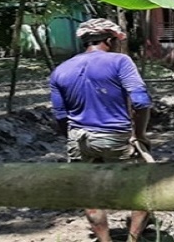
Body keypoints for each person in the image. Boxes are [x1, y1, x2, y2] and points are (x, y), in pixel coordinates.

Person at [50, 18, 153, 242]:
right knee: (142, 190)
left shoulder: (61, 70)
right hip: (114, 136)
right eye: (116, 41)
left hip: (78, 138)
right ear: (108, 40)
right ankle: (133, 239)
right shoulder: (120, 62)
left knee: (89, 193)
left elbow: (60, 116)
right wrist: (140, 134)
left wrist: (71, 138)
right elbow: (141, 102)